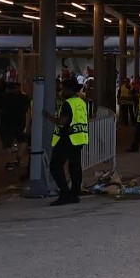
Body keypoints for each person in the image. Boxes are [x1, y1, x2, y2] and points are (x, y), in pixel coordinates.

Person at [43, 78, 89, 206]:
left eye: (63, 89)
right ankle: (75, 194)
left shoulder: (68, 103)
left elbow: (62, 122)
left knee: (55, 165)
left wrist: (48, 117)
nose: (61, 91)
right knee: (75, 167)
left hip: (68, 139)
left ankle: (65, 194)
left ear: (69, 90)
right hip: (79, 137)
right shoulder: (81, 101)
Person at [0, 81, 30, 155]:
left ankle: (9, 161)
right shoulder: (23, 97)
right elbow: (26, 109)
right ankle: (18, 156)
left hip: (6, 124)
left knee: (7, 144)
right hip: (20, 123)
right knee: (22, 140)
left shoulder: (2, 97)